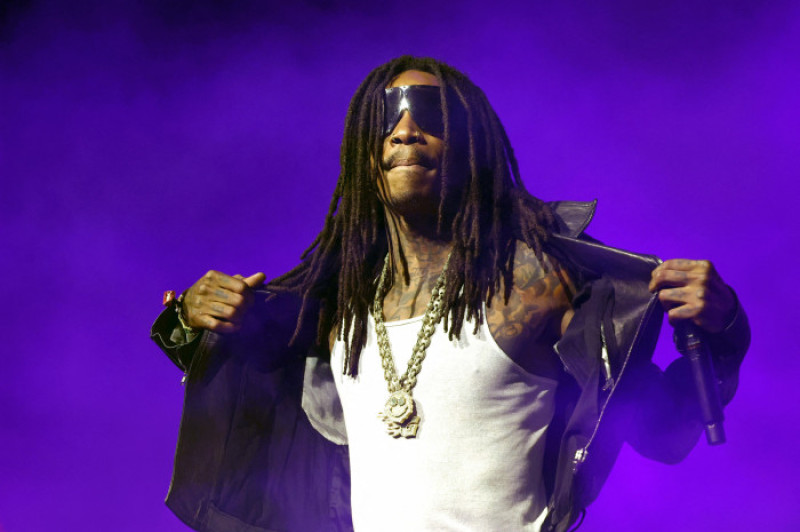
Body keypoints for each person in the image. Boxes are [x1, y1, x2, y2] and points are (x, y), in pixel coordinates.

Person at [151, 56, 749, 532]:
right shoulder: (339, 307)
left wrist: (723, 329)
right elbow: (242, 388)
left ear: (471, 147)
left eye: (430, 116)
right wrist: (190, 320)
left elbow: (662, 432)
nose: (405, 131)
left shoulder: (534, 290)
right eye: (385, 119)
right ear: (364, 155)